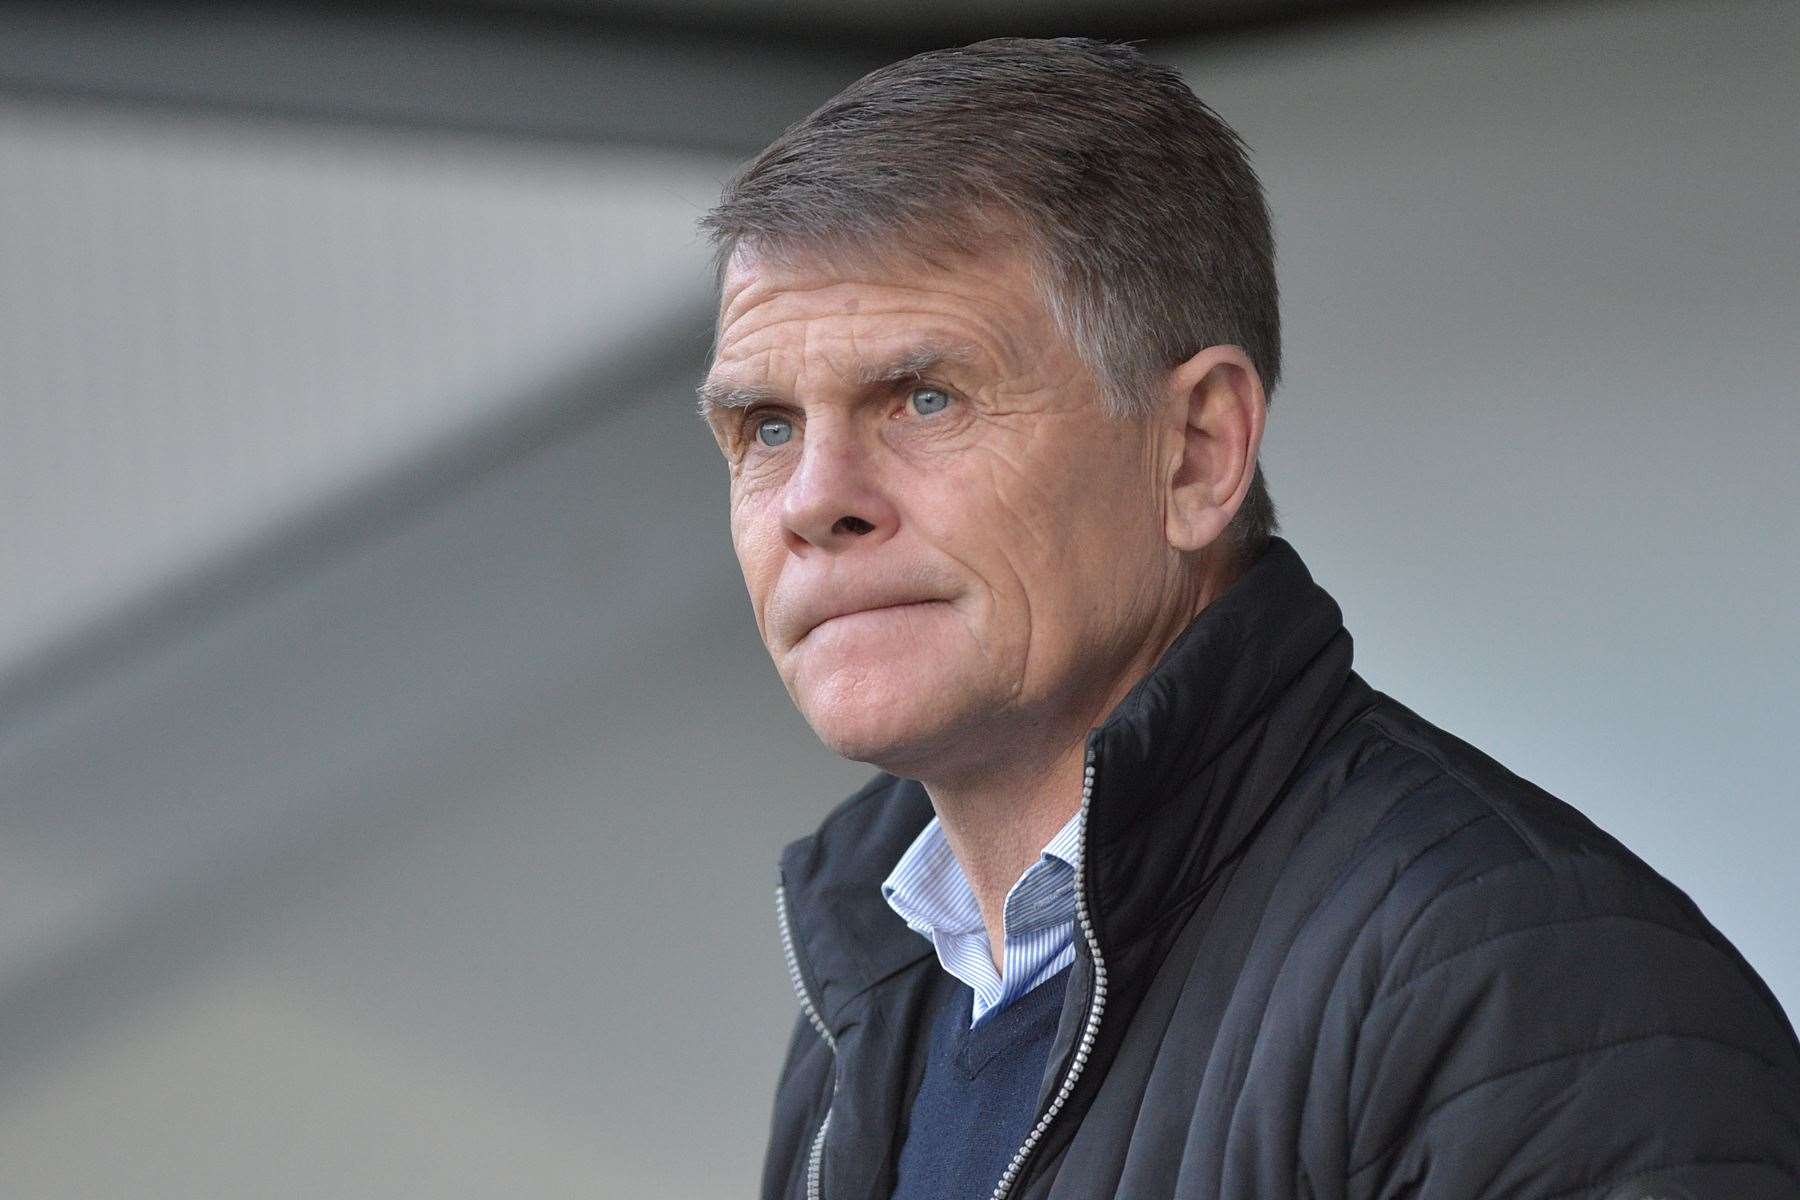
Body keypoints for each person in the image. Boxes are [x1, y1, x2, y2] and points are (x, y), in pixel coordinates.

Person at [693, 37, 1800, 1200]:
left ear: (1198, 451)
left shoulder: (1531, 989)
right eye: (766, 426)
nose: (816, 500)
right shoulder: (870, 1001)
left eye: (926, 398)